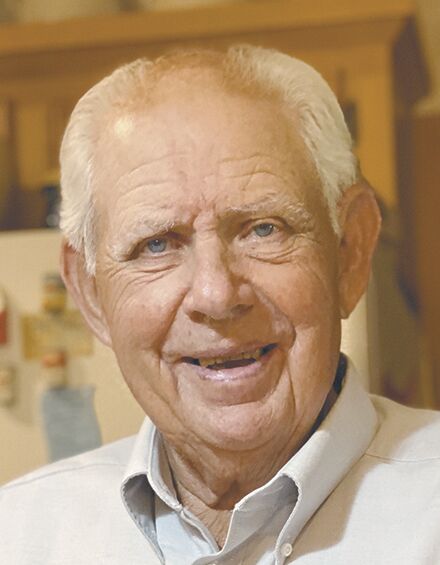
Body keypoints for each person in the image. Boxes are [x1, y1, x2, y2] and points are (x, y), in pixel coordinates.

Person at [1, 45, 440, 565]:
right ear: (91, 294)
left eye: (263, 229)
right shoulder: (20, 535)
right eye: (157, 244)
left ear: (349, 252)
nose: (216, 295)